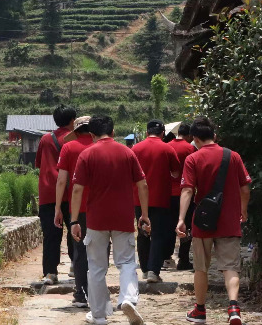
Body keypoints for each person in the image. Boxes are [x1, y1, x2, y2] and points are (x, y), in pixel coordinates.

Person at [70, 115, 150, 325]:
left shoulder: (87, 155)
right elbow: (142, 185)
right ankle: (128, 298)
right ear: (113, 132)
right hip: (123, 218)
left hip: (96, 219)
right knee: (126, 263)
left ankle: (98, 316)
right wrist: (144, 214)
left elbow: (77, 189)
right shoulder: (127, 153)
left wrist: (74, 220)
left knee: (96, 267)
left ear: (92, 135)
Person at [176, 116, 251, 325]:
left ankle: (200, 311)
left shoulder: (193, 159)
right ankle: (234, 308)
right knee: (230, 267)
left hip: (203, 221)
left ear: (195, 139)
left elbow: (188, 190)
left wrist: (181, 219)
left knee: (201, 267)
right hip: (229, 220)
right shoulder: (233, 156)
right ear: (214, 136)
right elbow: (245, 188)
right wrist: (243, 211)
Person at [131, 119, 180, 283]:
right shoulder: (168, 149)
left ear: (146, 132)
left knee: (143, 233)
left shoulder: (136, 149)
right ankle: (153, 271)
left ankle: (144, 269)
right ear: (163, 134)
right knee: (158, 234)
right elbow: (175, 172)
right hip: (160, 198)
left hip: (138, 199)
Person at [54, 116, 93, 308]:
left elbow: (62, 180)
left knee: (80, 252)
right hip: (100, 208)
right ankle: (97, 292)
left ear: (76, 132)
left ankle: (81, 294)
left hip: (78, 209)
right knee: (99, 251)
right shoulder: (99, 146)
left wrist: (57, 208)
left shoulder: (69, 148)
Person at [36, 104, 76, 285]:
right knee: (75, 231)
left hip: (48, 194)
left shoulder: (45, 139)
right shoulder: (74, 140)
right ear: (72, 121)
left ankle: (50, 273)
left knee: (51, 235)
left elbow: (39, 164)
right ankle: (76, 265)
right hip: (70, 194)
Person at [168, 123, 197, 270]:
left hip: (168, 193)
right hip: (185, 193)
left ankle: (166, 257)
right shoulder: (190, 149)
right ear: (189, 135)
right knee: (186, 226)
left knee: (169, 226)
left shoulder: (167, 146)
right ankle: (183, 259)